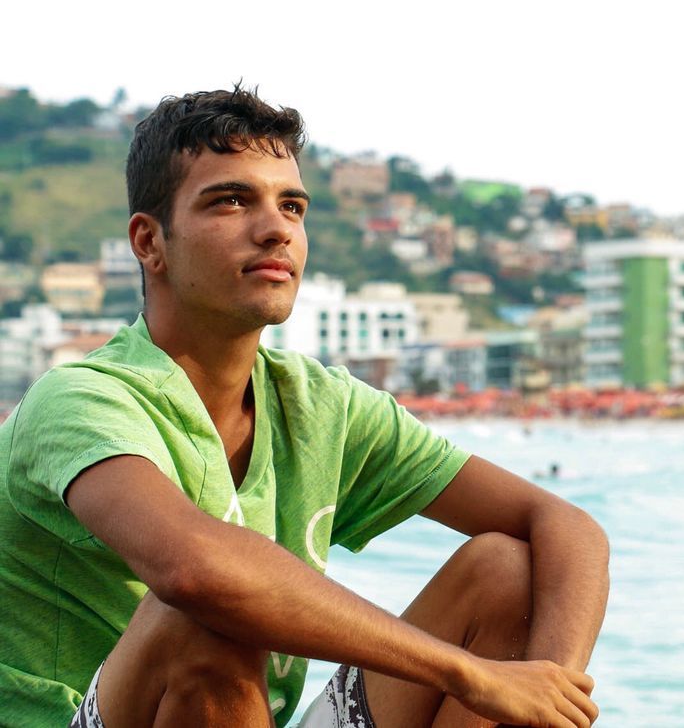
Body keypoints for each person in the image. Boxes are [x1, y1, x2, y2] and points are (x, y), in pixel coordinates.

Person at [0, 87, 609, 728]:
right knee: (207, 614)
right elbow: (194, 574)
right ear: (150, 242)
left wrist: (547, 698)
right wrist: (468, 675)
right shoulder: (82, 398)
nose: (276, 229)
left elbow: (564, 525)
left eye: (291, 205)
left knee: (506, 571)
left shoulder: (321, 405)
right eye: (231, 201)